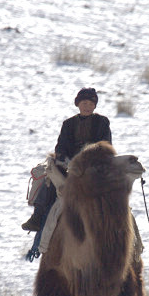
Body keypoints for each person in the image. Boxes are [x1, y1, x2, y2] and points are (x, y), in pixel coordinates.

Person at [22, 87, 112, 232]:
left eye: (91, 104)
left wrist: (89, 160)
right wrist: (65, 160)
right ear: (78, 104)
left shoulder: (102, 122)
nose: (87, 107)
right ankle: (37, 217)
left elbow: (105, 145)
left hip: (95, 166)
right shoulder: (68, 124)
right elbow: (61, 146)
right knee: (49, 180)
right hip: (69, 167)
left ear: (95, 105)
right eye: (84, 103)